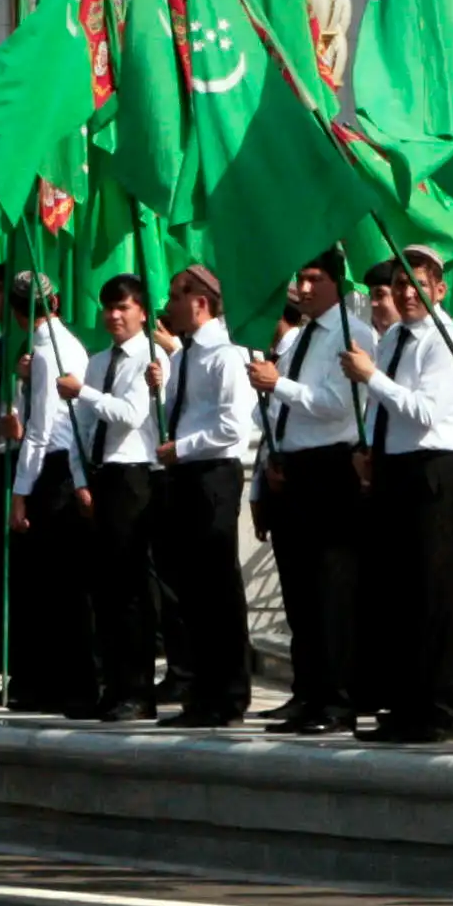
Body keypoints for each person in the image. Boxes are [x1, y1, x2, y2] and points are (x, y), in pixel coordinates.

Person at [341, 249, 453, 744]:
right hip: (395, 468)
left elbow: (423, 411)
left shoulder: (445, 339)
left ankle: (437, 711)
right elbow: (388, 412)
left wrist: (371, 378)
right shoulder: (395, 336)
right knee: (396, 595)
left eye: (417, 284)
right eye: (399, 283)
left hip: (431, 472)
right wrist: (370, 448)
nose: (405, 294)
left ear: (439, 289)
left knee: (430, 594)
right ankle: (404, 707)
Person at [252, 252, 364, 733]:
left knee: (330, 590)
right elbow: (280, 410)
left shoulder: (350, 334)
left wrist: (282, 386)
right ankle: (308, 692)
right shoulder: (300, 338)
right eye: (301, 277)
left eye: (315, 278)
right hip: (293, 468)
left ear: (337, 283)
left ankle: (337, 700)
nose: (304, 286)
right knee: (298, 591)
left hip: (330, 468)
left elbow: (338, 407)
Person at [151, 262, 259, 728]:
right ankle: (202, 688)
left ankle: (229, 691)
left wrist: (184, 446)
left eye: (176, 296)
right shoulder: (184, 356)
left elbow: (234, 424)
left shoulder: (226, 355)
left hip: (213, 472)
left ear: (200, 302)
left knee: (217, 585)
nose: (169, 306)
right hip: (185, 474)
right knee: (192, 587)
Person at [0, 268, 98, 717]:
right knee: (60, 585)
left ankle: (61, 683)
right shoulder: (65, 344)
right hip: (61, 468)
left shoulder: (45, 351)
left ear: (20, 313)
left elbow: (38, 430)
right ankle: (58, 681)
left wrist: (20, 492)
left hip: (50, 472)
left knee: (51, 586)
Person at [71, 274, 171, 716]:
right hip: (102, 475)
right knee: (106, 590)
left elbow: (130, 415)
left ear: (142, 312)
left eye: (124, 308)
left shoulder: (151, 358)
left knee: (132, 589)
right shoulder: (97, 361)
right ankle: (111, 686)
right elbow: (84, 425)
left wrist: (85, 392)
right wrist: (81, 476)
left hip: (134, 474)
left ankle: (137, 691)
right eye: (109, 307)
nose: (114, 316)